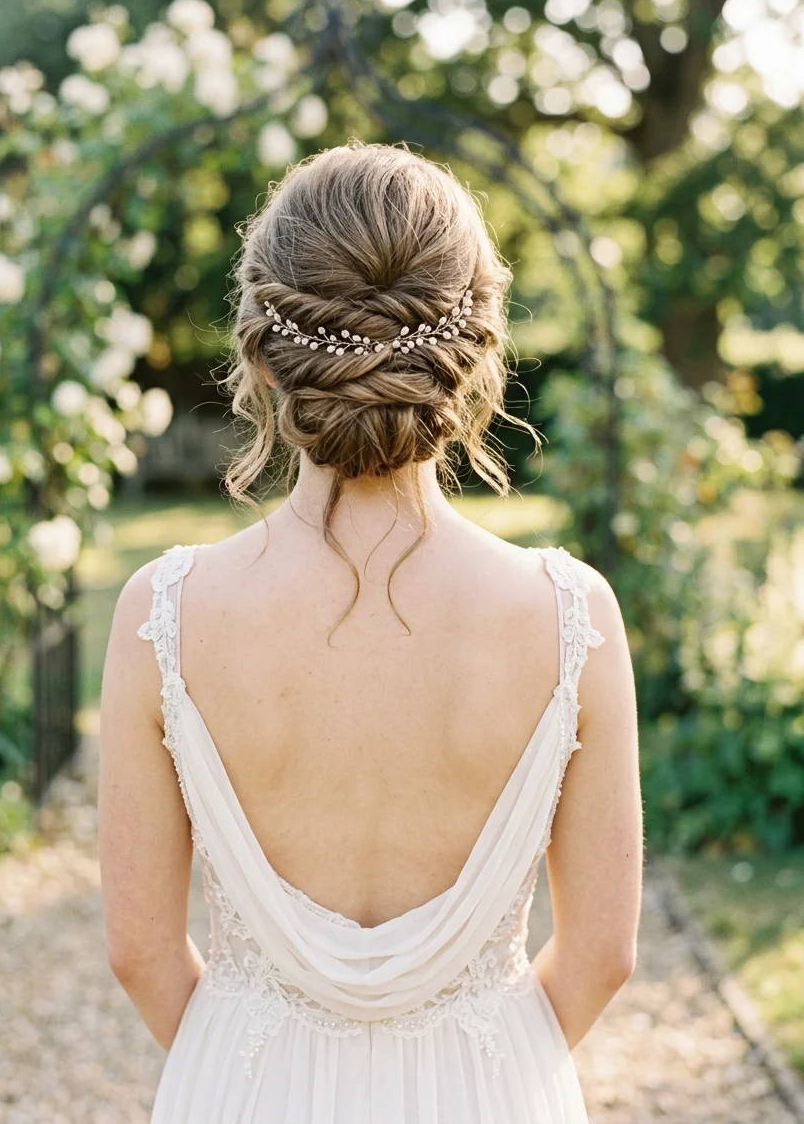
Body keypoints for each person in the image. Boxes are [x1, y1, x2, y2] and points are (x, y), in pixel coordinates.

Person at [98, 140, 643, 1123]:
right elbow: (602, 955)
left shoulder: (162, 614)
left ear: (262, 354)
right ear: (475, 350)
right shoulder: (571, 619)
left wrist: (247, 1065)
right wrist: (478, 1062)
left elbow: (138, 952)